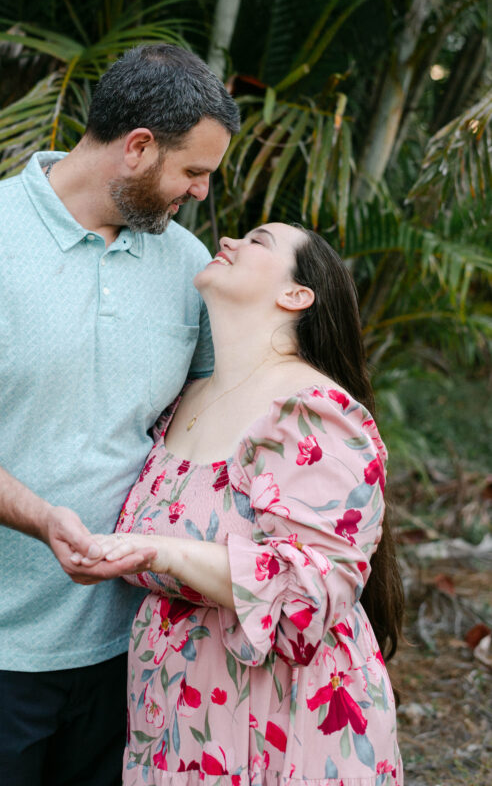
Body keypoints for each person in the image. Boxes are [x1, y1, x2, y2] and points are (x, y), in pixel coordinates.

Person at [0, 43, 240, 786]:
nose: (201, 192)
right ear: (137, 148)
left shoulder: (185, 260)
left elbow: (214, 420)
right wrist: (44, 519)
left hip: (130, 645)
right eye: (193, 172)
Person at [90, 223, 404, 785]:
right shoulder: (184, 397)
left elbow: (316, 589)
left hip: (280, 713)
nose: (230, 241)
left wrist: (162, 553)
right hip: (176, 712)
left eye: (258, 241)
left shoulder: (311, 411)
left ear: (295, 295)